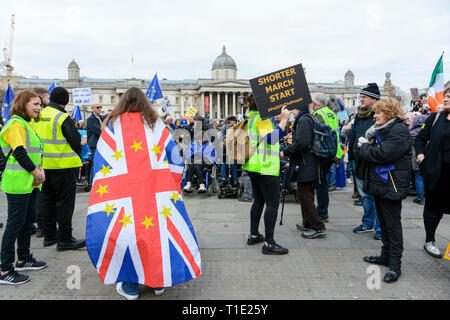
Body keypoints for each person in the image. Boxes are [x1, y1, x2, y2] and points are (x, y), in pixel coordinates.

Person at [94, 87, 198, 299]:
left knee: (129, 234)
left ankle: (131, 285)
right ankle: (158, 282)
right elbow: (174, 158)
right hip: (156, 189)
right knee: (156, 233)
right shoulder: (156, 124)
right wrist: (175, 181)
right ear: (144, 102)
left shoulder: (112, 125)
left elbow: (101, 162)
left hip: (124, 191)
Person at [358, 98, 411, 283]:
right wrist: (369, 147)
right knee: (384, 223)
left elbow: (382, 154)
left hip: (392, 185)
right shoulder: (386, 129)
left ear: (389, 113)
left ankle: (395, 265)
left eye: (379, 112)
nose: (375, 116)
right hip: (382, 183)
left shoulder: (398, 130)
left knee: (392, 225)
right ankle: (386, 255)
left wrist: (364, 147)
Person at [0, 90, 47, 285]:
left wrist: (38, 173)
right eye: (35, 104)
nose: (39, 108)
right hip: (19, 182)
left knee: (27, 223)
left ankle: (23, 258)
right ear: (23, 104)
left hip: (30, 182)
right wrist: (37, 173)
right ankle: (4, 269)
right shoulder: (16, 124)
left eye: (39, 104)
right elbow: (19, 153)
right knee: (14, 224)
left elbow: (35, 153)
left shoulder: (27, 125)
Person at [34, 86, 85, 251]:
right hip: (63, 166)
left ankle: (49, 236)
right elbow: (75, 141)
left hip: (43, 167)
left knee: (47, 202)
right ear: (66, 101)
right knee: (65, 204)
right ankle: (65, 239)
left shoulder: (38, 115)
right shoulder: (62, 117)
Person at [243, 94, 290, 255]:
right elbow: (271, 139)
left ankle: (254, 234)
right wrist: (284, 120)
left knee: (258, 201)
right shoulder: (261, 119)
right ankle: (269, 243)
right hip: (265, 166)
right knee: (272, 203)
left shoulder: (251, 117)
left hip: (253, 164)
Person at [282, 104, 327, 239]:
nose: (291, 112)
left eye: (292, 110)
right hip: (306, 162)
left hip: (307, 164)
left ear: (297, 109)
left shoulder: (304, 120)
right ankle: (307, 222)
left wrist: (285, 152)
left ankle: (318, 227)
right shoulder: (307, 119)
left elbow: (301, 143)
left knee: (305, 195)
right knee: (304, 194)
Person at [415, 88, 450, 259]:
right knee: (433, 208)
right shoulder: (436, 117)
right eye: (446, 96)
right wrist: (421, 156)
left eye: (449, 97)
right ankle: (430, 240)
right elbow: (420, 138)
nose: (445, 99)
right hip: (436, 171)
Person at [347, 83, 381, 240]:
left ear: (374, 99)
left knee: (376, 195)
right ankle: (368, 223)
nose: (360, 99)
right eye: (360, 96)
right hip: (357, 158)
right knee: (364, 195)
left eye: (364, 97)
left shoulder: (380, 114)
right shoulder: (359, 115)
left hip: (371, 159)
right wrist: (350, 148)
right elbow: (354, 133)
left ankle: (380, 227)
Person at [311, 92, 343, 222]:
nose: (312, 104)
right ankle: (322, 212)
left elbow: (316, 135)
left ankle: (322, 213)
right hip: (334, 151)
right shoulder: (330, 112)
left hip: (323, 152)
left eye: (313, 102)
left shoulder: (318, 115)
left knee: (321, 184)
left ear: (316, 103)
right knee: (323, 183)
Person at [31, 88, 50, 238]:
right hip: (33, 166)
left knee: (36, 198)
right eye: (47, 99)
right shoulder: (37, 117)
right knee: (39, 198)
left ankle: (36, 225)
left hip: (38, 162)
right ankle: (41, 226)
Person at [86, 102, 106, 189]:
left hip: (102, 144)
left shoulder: (101, 117)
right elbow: (99, 131)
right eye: (98, 107)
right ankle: (92, 184)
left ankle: (100, 183)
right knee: (95, 164)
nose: (100, 109)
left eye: (101, 107)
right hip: (94, 145)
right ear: (92, 108)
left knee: (102, 164)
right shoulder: (90, 119)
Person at [408, 114, 427, 205]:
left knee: (419, 176)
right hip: (427, 157)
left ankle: (420, 197)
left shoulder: (411, 133)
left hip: (415, 158)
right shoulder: (428, 132)